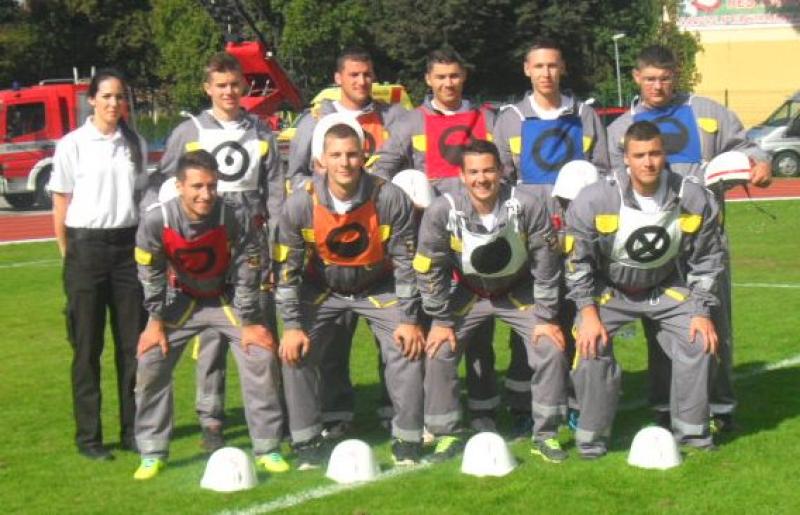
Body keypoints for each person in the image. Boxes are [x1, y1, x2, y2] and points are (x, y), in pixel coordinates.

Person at [606, 45, 771, 429]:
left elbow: (746, 146)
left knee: (714, 323)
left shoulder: (708, 112)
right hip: (650, 247)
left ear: (675, 75)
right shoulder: (619, 129)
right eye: (650, 79)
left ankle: (722, 407)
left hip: (705, 243)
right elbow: (610, 182)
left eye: (665, 78)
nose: (657, 86)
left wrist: (760, 161)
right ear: (636, 77)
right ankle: (664, 408)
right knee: (659, 329)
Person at [567, 121, 724, 459]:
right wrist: (588, 313)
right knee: (590, 344)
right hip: (610, 292)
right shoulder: (595, 199)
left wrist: (700, 311)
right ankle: (592, 439)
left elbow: (708, 259)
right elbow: (577, 264)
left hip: (666, 288)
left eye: (655, 153)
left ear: (665, 154)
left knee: (700, 340)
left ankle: (693, 434)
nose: (648, 162)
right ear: (625, 158)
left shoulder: (693, 197)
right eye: (639, 155)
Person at [275, 122, 425, 469]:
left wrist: (408, 319)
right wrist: (292, 326)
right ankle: (306, 440)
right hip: (323, 290)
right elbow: (287, 273)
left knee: (408, 345)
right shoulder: (299, 203)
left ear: (364, 156)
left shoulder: (390, 198)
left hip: (378, 287)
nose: (344, 162)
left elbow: (406, 263)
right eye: (336, 155)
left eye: (352, 154)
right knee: (295, 351)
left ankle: (408, 438)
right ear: (321, 161)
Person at [155, 52, 284, 451]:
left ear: (244, 86)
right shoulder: (188, 131)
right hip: (203, 253)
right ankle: (210, 419)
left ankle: (270, 417)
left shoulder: (261, 131)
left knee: (257, 329)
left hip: (251, 250)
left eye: (234, 85)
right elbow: (164, 188)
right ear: (207, 88)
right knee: (211, 335)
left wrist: (276, 248)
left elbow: (275, 194)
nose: (229, 92)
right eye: (221, 85)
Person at [132, 150, 285, 479]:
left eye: (212, 186)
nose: (205, 194)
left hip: (224, 298)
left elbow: (248, 268)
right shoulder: (157, 220)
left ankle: (267, 446)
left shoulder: (234, 215)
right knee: (151, 358)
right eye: (197, 186)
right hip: (181, 300)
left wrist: (250, 322)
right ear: (179, 186)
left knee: (260, 354)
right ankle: (152, 451)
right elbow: (150, 273)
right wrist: (155, 321)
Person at [415, 139, 568, 463]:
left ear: (501, 171)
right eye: (473, 172)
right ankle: (446, 433)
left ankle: (546, 434)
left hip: (517, 291)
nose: (481, 179)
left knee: (550, 347)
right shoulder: (442, 210)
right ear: (461, 175)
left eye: (488, 171)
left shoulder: (527, 205)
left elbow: (546, 265)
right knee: (439, 350)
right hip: (470, 292)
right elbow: (429, 268)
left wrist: (546, 317)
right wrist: (441, 320)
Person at [373, 49, 501, 430]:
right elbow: (381, 171)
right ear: (428, 80)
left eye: (454, 76)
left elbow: (505, 170)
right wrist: (407, 201)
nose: (448, 83)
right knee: (425, 324)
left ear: (464, 77)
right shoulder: (410, 121)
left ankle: (483, 409)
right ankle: (425, 411)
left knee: (479, 329)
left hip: (479, 235)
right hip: (427, 240)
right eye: (441, 77)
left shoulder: (487, 119)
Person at [285, 49, 409, 436]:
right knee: (333, 343)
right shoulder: (314, 120)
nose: (362, 81)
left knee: (395, 340)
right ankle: (335, 415)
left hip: (380, 243)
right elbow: (296, 174)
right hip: (329, 246)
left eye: (367, 74)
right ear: (338, 78)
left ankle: (394, 411)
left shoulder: (393, 117)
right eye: (354, 74)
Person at [492, 39, 610, 437]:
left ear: (563, 69)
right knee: (530, 321)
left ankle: (575, 403)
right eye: (539, 66)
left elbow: (603, 172)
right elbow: (501, 181)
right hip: (529, 237)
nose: (546, 73)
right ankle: (522, 404)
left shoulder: (586, 115)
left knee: (578, 316)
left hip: (578, 233)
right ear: (527, 70)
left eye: (552, 65)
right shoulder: (509, 119)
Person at [49, 69, 148, 461]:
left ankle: (133, 432)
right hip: (85, 249)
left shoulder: (135, 143)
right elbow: (61, 201)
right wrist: (68, 252)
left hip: (126, 251)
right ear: (91, 100)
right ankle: (89, 438)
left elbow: (141, 198)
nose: (113, 103)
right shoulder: (72, 144)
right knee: (87, 347)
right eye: (106, 96)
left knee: (132, 347)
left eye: (119, 96)